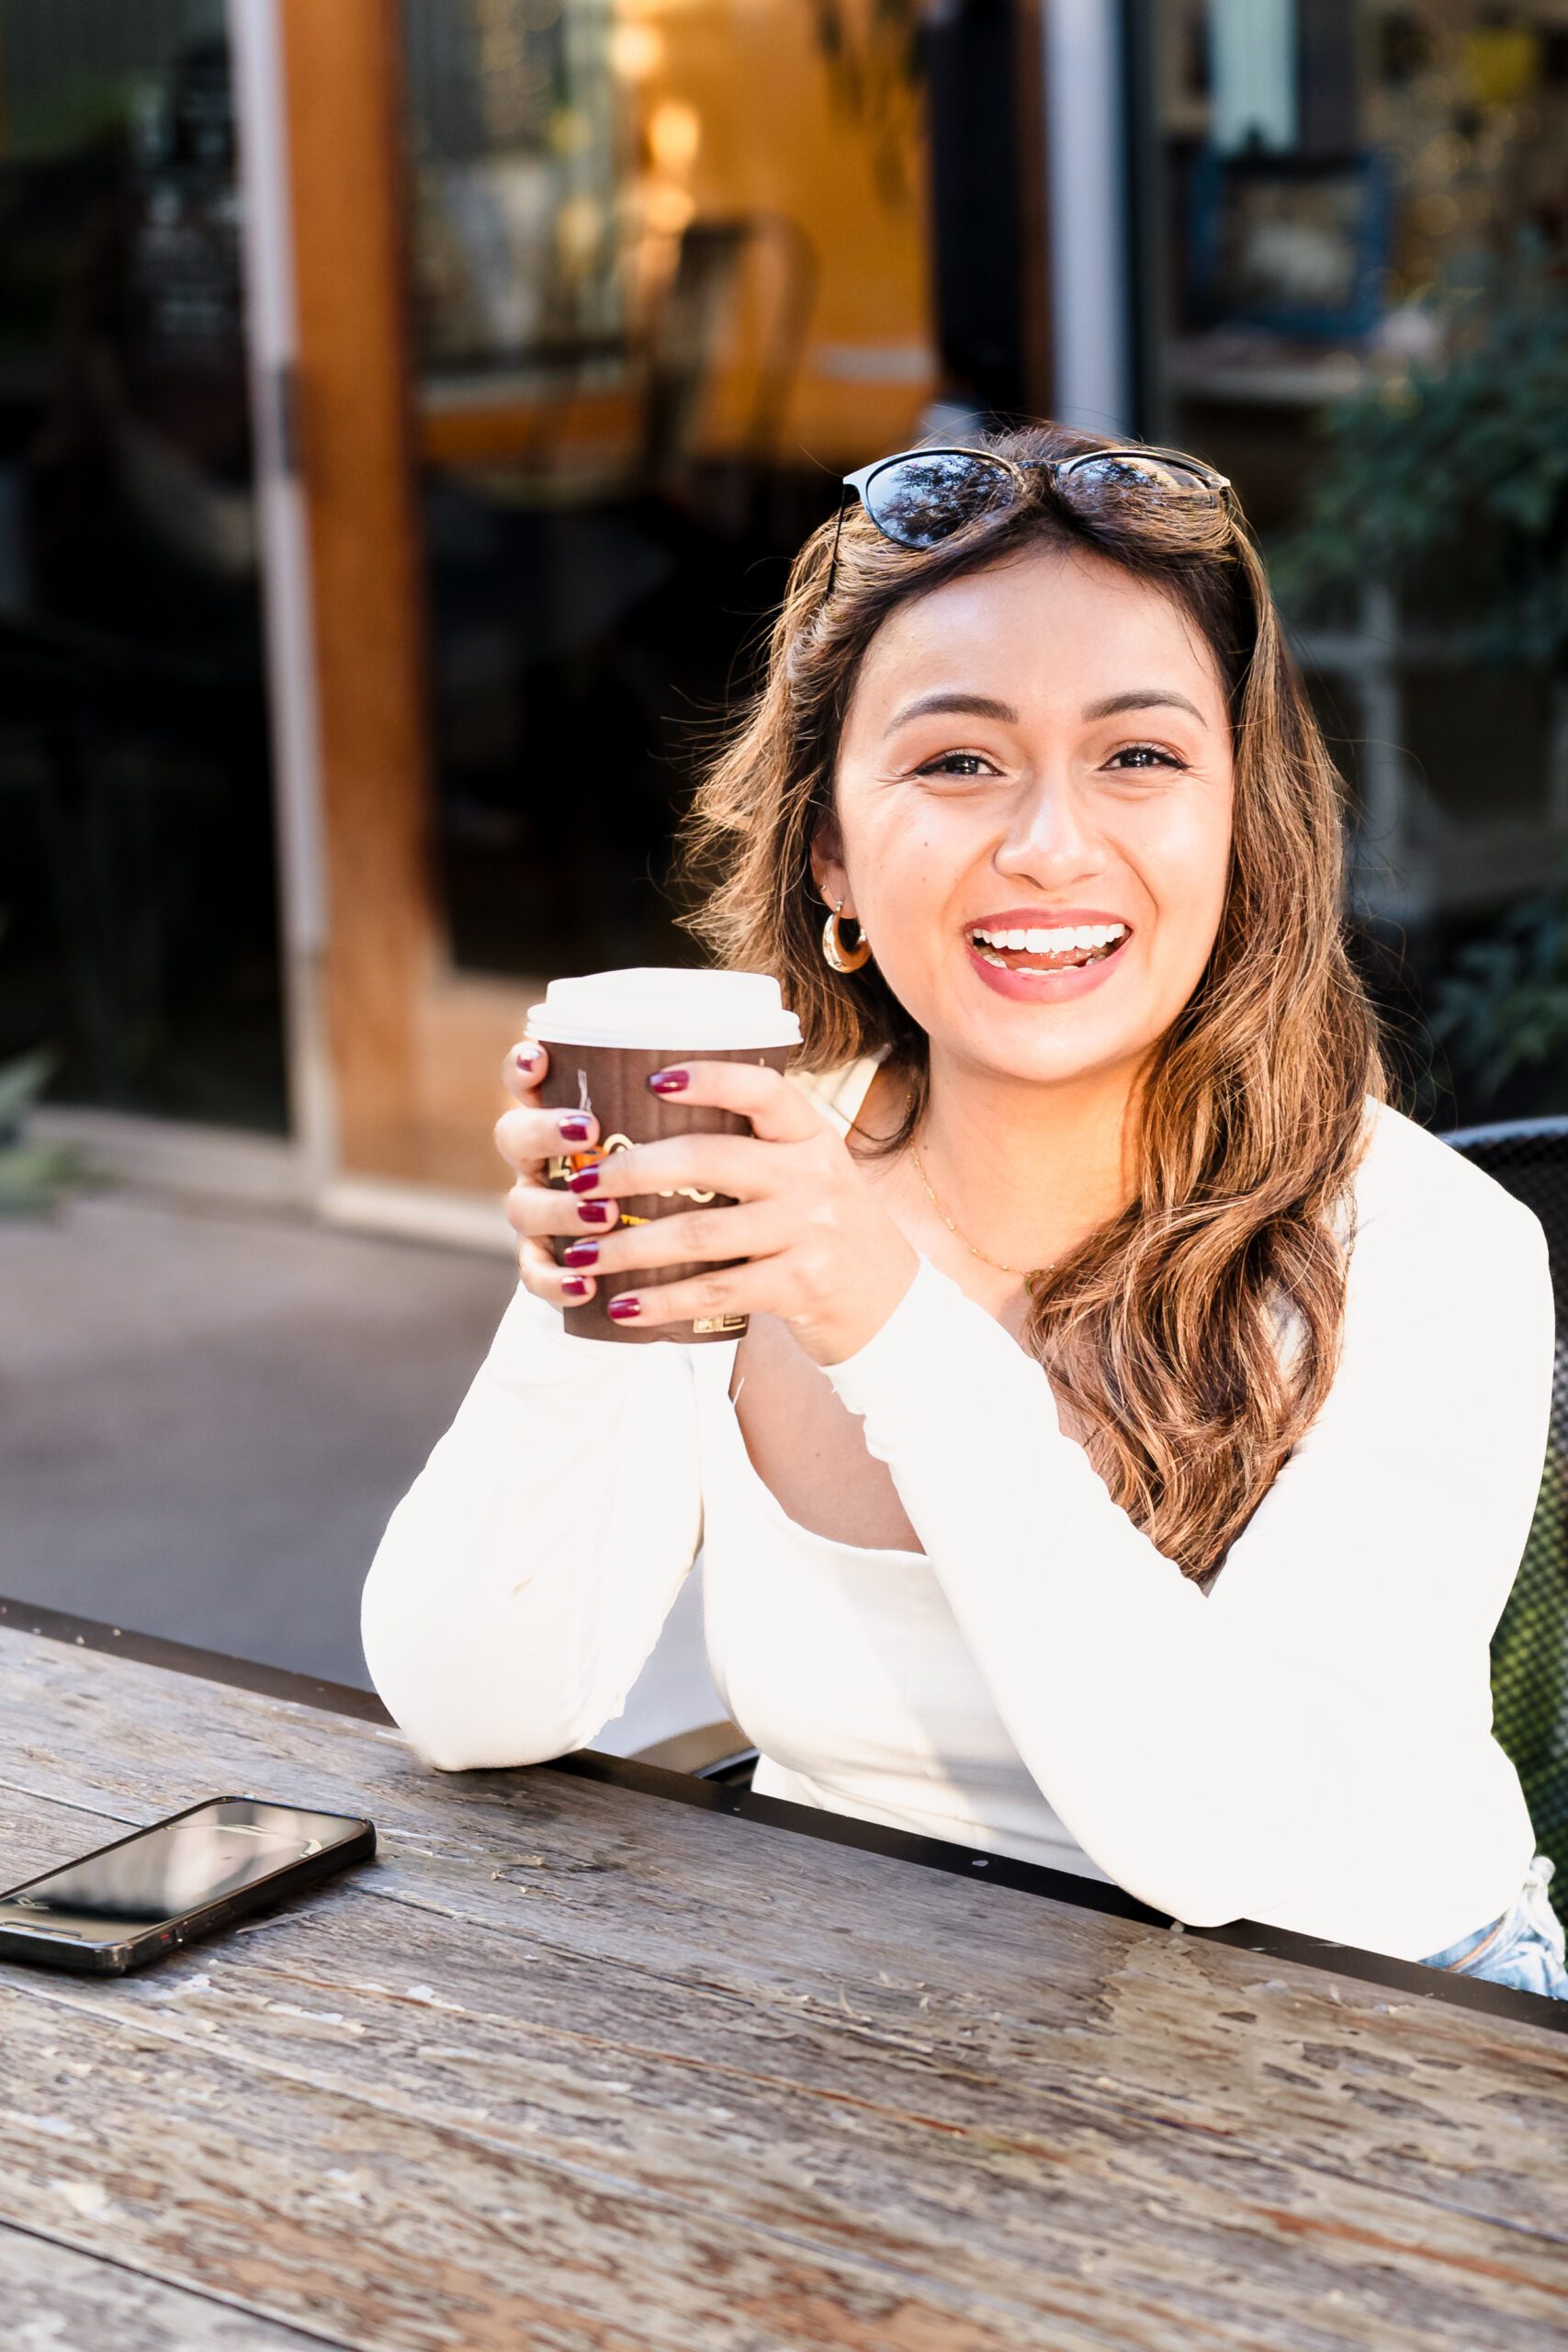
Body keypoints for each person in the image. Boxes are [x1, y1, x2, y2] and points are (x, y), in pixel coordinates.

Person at [361, 424, 1565, 1998]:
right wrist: (583, 1282)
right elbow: (473, 1704)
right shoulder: (758, 1181)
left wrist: (893, 1332)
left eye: (1140, 757)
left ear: (1241, 834)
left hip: (1379, 2049)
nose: (1051, 845)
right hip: (875, 2026)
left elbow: (1235, 1848)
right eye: (956, 761)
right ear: (830, 858)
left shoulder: (1434, 1249)